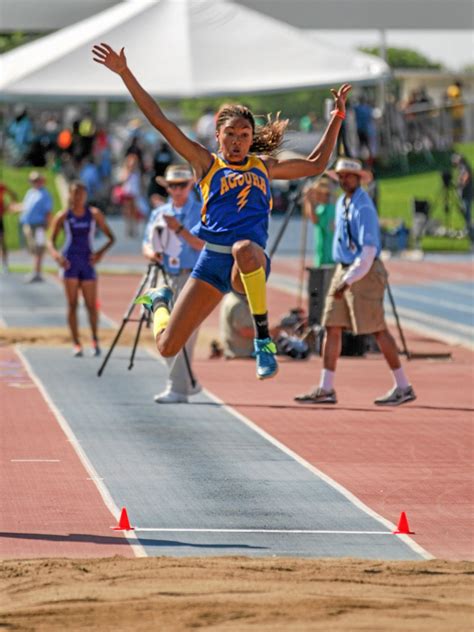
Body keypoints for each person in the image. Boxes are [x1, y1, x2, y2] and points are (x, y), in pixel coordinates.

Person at [92, 43, 351, 381]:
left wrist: (337, 118)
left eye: (244, 135)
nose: (237, 141)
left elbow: (317, 163)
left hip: (250, 261)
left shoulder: (265, 166)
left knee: (244, 249)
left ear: (251, 138)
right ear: (218, 136)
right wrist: (125, 73)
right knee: (168, 346)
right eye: (230, 134)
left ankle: (263, 343)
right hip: (212, 261)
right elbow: (160, 121)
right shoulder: (206, 164)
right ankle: (158, 301)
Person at [295, 158, 416, 406]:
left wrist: (348, 280)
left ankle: (403, 385)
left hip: (364, 270)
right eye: (340, 176)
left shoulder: (364, 208)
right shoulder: (342, 202)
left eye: (348, 176)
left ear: (359, 178)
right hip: (344, 267)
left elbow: (368, 250)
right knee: (332, 325)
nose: (343, 180)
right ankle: (326, 387)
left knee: (376, 328)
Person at [142, 164, 204, 403]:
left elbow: (201, 244)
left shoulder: (200, 210)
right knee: (157, 327)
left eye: (182, 185)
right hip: (163, 273)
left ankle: (178, 388)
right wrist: (151, 253)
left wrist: (178, 229)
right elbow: (146, 242)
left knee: (184, 332)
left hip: (191, 275)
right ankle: (189, 381)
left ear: (190, 186)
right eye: (172, 186)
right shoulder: (159, 212)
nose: (177, 190)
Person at [48, 181, 115, 357]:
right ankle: (76, 342)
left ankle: (94, 339)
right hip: (70, 263)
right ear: (70, 195)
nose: (78, 197)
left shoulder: (93, 214)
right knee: (72, 305)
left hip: (87, 263)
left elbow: (111, 237)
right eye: (75, 193)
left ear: (85, 195)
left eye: (81, 193)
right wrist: (56, 256)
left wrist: (99, 254)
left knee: (91, 305)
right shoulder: (63, 216)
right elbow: (51, 240)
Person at [15, 172, 53, 282]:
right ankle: (36, 271)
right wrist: (14, 208)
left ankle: (37, 272)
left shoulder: (45, 194)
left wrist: (48, 225)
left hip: (39, 225)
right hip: (29, 225)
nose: (34, 182)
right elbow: (26, 206)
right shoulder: (30, 192)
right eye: (32, 180)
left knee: (39, 248)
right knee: (33, 248)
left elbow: (48, 212)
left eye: (36, 180)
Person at [303, 178, 335, 267]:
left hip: (326, 256)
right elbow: (309, 215)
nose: (315, 196)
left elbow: (314, 220)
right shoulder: (328, 208)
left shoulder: (326, 209)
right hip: (326, 255)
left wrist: (308, 200)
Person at [219, 291, 255, 359]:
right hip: (244, 352)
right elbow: (245, 331)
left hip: (233, 348)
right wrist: (270, 332)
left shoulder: (230, 297)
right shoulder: (239, 304)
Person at [452, 153, 473, 240]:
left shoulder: (464, 167)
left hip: (466, 193)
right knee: (464, 211)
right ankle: (468, 228)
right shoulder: (462, 167)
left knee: (466, 211)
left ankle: (469, 230)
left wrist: (460, 184)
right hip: (465, 193)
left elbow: (466, 176)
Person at [0, 181, 18, 272]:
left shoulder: (2, 186)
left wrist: (9, 206)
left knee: (2, 242)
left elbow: (13, 195)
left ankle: (5, 264)